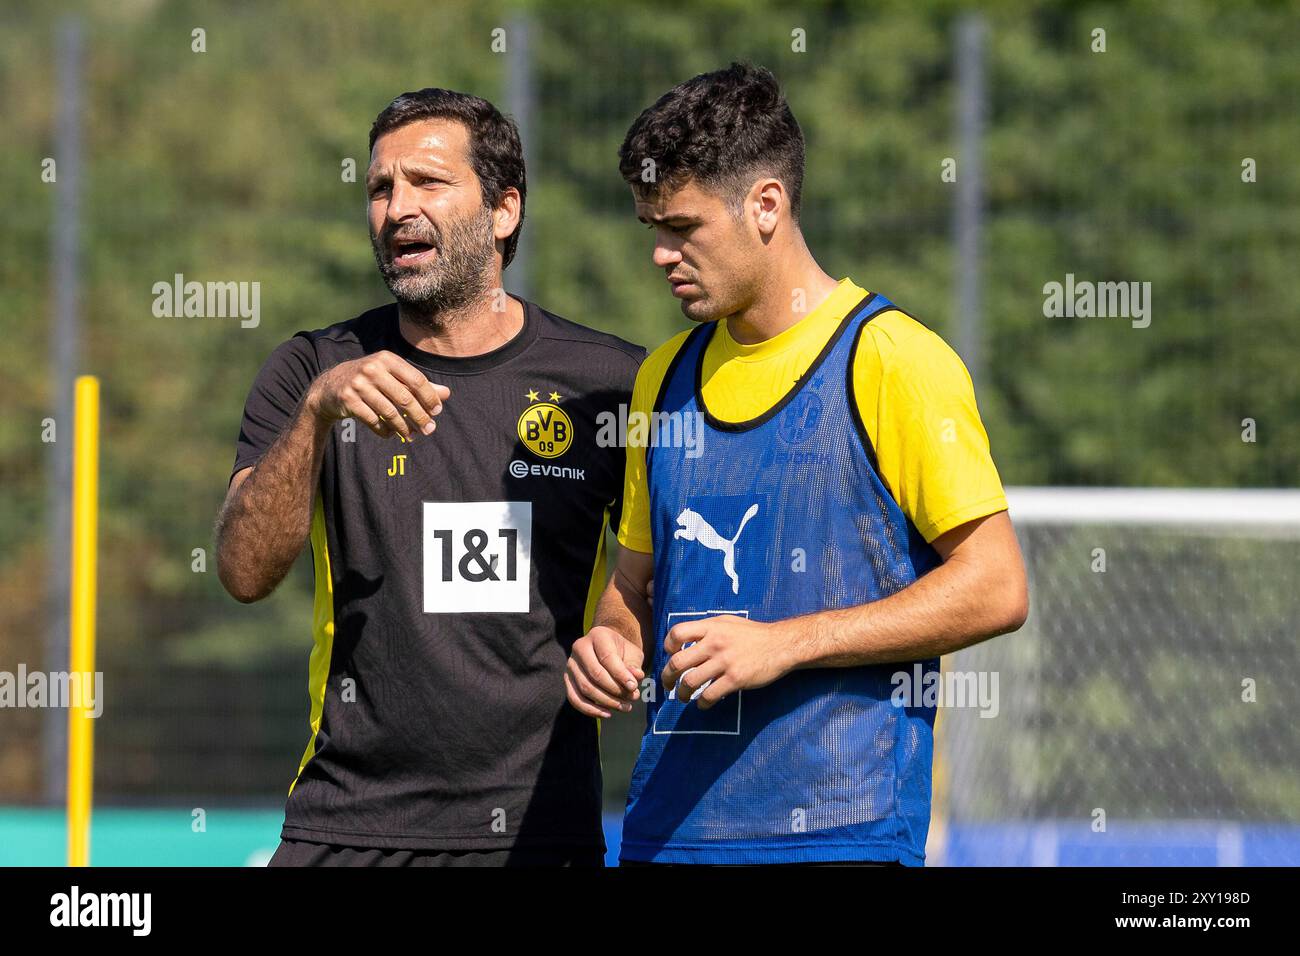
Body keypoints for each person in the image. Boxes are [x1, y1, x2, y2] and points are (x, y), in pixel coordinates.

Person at [565, 63, 1028, 866]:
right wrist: (608, 639)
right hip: (665, 836)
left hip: (841, 835)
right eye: (653, 231)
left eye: (683, 228)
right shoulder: (661, 379)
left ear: (766, 205)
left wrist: (785, 642)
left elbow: (997, 585)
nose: (661, 255)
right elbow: (631, 587)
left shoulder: (891, 359)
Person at [216, 87, 643, 867]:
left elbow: (657, 569)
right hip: (342, 829)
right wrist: (317, 416)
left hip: (537, 836)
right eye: (380, 188)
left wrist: (618, 628)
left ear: (504, 210)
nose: (396, 207)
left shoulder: (609, 383)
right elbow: (243, 573)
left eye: (427, 182)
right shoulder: (314, 369)